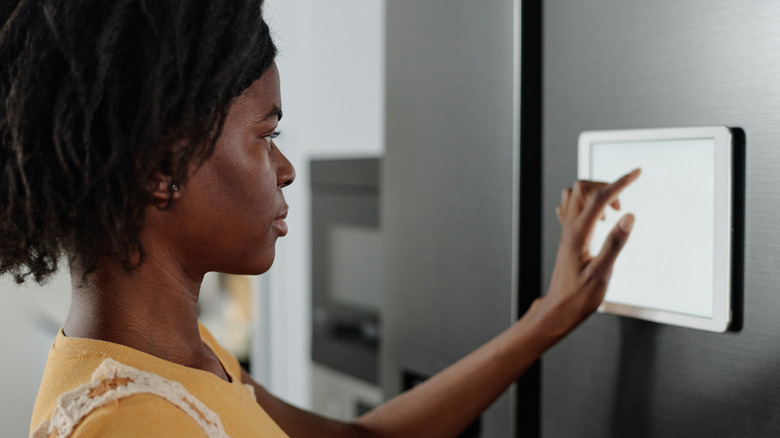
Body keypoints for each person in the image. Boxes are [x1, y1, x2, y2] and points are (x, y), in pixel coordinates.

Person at [0, 1, 639, 437]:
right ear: (161, 166)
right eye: (265, 135)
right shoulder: (133, 422)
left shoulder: (176, 358)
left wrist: (549, 318)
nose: (284, 169)